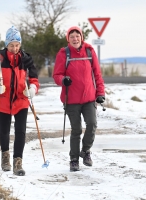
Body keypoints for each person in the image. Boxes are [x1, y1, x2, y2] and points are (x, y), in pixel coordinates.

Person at [0, 26, 39, 176]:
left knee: (21, 132)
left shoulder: (26, 59)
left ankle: (17, 162)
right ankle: (5, 158)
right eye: (12, 45)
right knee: (4, 131)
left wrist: (32, 89)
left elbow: (34, 79)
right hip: (3, 102)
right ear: (7, 45)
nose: (15, 48)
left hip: (21, 100)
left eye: (17, 45)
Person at [53, 26, 105, 171]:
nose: (75, 39)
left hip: (89, 97)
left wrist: (100, 93)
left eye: (77, 36)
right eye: (72, 37)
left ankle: (86, 151)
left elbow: (97, 74)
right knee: (76, 130)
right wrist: (63, 80)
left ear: (81, 37)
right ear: (68, 39)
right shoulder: (64, 54)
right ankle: (74, 160)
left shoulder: (89, 51)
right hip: (71, 100)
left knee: (92, 124)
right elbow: (56, 75)